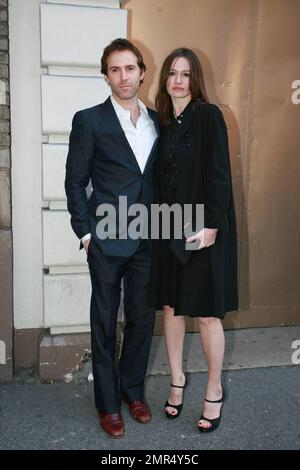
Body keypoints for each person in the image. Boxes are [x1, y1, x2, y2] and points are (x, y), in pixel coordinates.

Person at [65, 38, 159, 438]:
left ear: (141, 71)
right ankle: (108, 405)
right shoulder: (89, 121)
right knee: (104, 322)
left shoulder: (159, 121)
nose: (124, 76)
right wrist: (86, 234)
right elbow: (75, 182)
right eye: (115, 69)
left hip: (149, 239)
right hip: (105, 240)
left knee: (141, 319)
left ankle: (133, 391)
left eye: (130, 68)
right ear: (106, 75)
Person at [148, 48, 238, 432]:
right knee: (171, 308)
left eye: (185, 74)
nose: (178, 80)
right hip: (169, 227)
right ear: (165, 79)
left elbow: (220, 172)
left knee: (204, 314)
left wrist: (213, 225)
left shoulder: (208, 116)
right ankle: (177, 381)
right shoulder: (163, 122)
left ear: (194, 79)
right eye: (172, 73)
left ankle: (214, 390)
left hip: (201, 229)